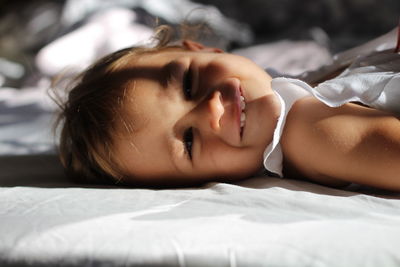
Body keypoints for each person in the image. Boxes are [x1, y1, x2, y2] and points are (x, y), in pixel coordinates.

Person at [56, 25, 400, 191]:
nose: (211, 112)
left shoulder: (297, 87)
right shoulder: (305, 134)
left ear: (204, 50)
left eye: (189, 83)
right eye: (189, 142)